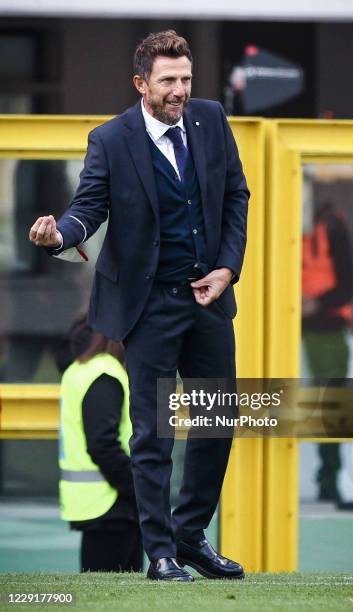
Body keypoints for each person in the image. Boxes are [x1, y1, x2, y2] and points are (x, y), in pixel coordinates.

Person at [29, 30, 249, 581]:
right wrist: (59, 237)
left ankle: (191, 535)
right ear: (141, 83)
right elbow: (88, 210)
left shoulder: (211, 119)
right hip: (147, 306)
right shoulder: (110, 139)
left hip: (209, 299)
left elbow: (237, 195)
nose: (180, 90)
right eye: (169, 80)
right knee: (153, 432)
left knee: (218, 420)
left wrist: (226, 267)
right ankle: (161, 553)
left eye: (186, 79)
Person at [57, 315, 143, 572]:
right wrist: (137, 488)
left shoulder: (80, 369)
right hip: (113, 506)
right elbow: (102, 444)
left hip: (99, 505)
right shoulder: (104, 374)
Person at [302, 201, 353, 502]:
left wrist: (315, 304)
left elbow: (349, 285)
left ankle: (328, 480)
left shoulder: (333, 227)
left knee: (330, 405)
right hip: (278, 329)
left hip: (325, 329)